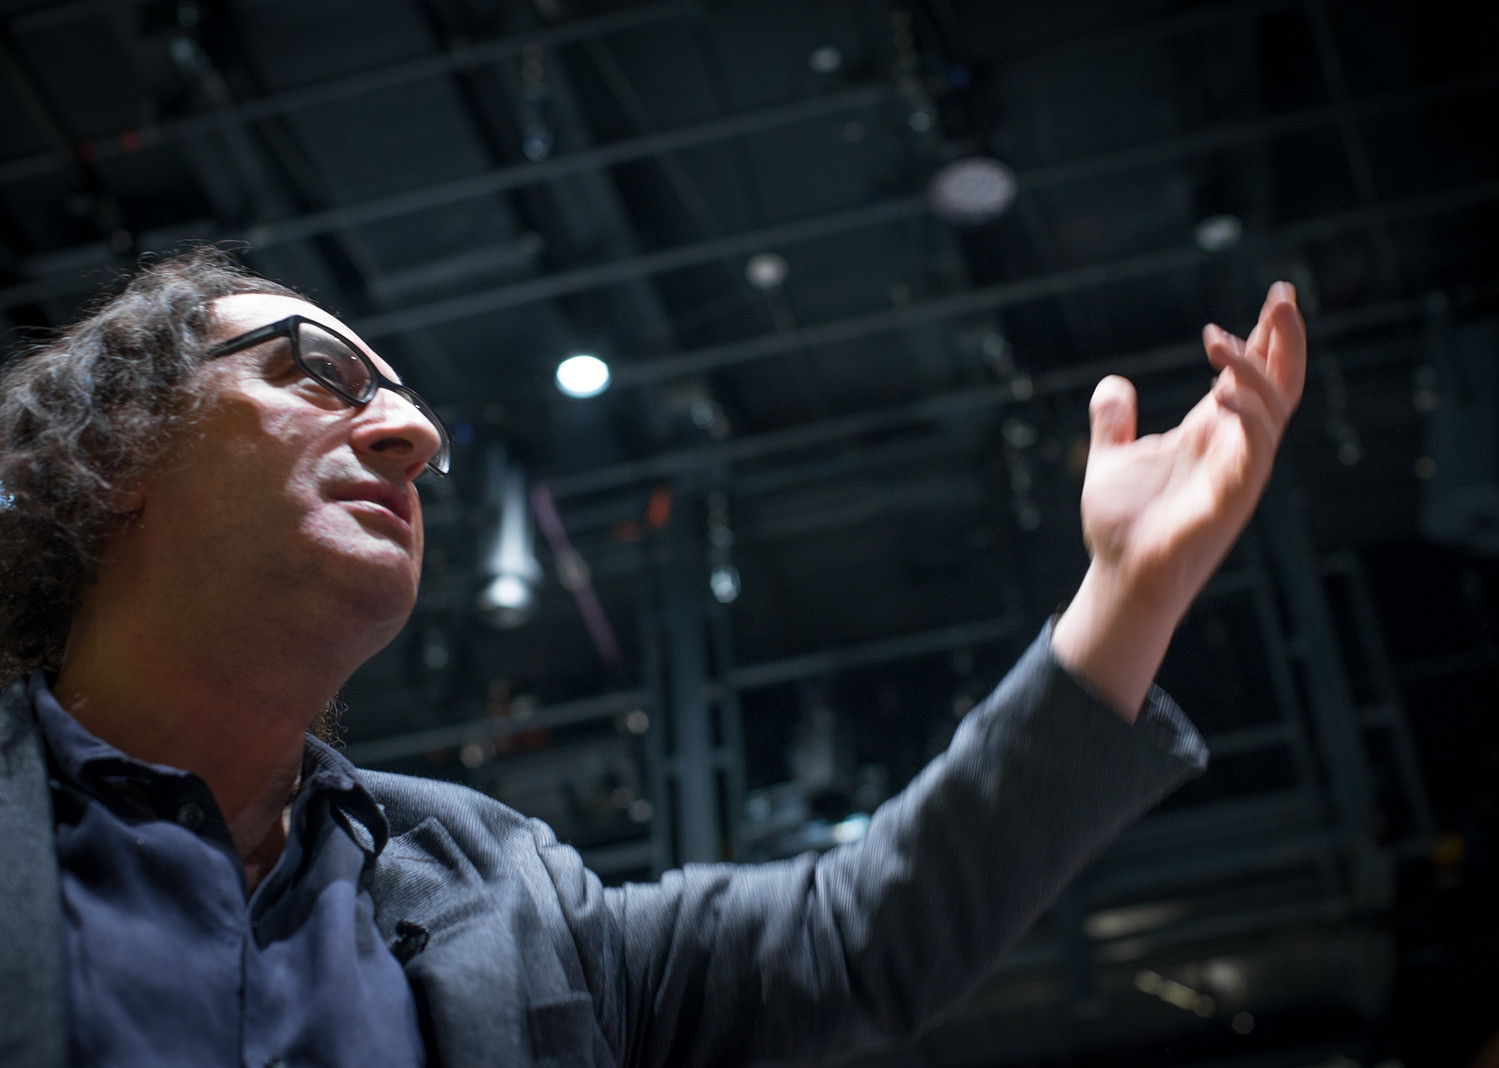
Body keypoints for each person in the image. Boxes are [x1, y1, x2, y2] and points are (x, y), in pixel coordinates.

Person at [0, 247, 1306, 1068]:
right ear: (120, 450)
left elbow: (866, 933)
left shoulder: (509, 895)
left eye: (403, 402)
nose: (411, 431)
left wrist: (1131, 592)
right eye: (318, 371)